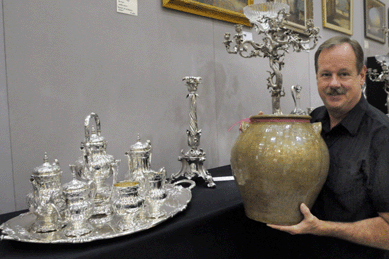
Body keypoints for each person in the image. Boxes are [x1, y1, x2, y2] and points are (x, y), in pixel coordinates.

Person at [267, 35, 389, 258]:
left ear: (361, 75)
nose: (334, 84)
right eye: (326, 75)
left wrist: (323, 228)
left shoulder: (382, 136)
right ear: (316, 77)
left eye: (343, 74)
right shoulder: (314, 119)